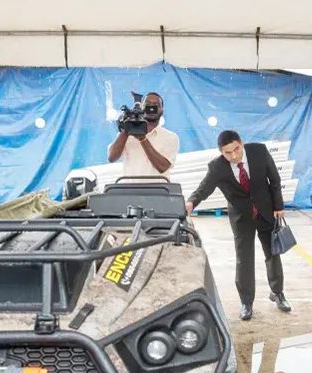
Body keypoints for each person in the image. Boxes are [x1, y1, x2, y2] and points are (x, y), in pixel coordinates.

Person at [186, 130, 290, 321]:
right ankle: (246, 302)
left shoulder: (259, 151)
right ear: (221, 153)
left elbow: (274, 179)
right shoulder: (217, 167)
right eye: (228, 153)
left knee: (272, 254)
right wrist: (191, 202)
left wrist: (279, 206)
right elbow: (204, 188)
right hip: (242, 217)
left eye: (236, 150)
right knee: (244, 259)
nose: (234, 156)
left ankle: (278, 292)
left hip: (266, 211)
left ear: (241, 143)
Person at [108, 92, 180, 177]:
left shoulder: (170, 137)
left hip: (159, 189)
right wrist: (126, 128)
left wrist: (142, 138)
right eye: (148, 104)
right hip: (130, 189)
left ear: (162, 110)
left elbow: (162, 167)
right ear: (142, 108)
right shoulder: (126, 134)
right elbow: (112, 158)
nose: (151, 108)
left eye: (156, 105)